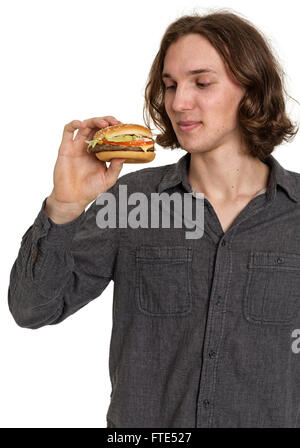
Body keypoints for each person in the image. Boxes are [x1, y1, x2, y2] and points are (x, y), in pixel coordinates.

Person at [8, 10, 300, 428]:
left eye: (202, 83)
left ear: (251, 89)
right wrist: (65, 206)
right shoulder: (132, 201)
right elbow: (31, 309)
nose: (180, 102)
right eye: (170, 85)